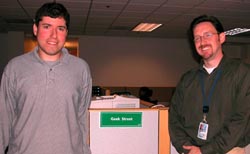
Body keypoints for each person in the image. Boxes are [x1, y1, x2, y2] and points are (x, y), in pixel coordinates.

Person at [0, 2, 92, 154]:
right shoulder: (15, 68)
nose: (53, 35)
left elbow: (82, 120)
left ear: (66, 32)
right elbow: (3, 120)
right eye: (47, 26)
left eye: (60, 28)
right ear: (35, 29)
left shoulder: (81, 69)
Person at [169, 15, 250, 154]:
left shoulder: (242, 73)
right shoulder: (187, 79)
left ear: (222, 37)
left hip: (229, 150)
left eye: (207, 35)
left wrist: (205, 150)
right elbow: (174, 117)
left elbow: (241, 120)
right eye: (197, 38)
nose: (202, 42)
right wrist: (186, 147)